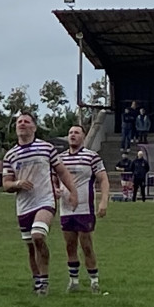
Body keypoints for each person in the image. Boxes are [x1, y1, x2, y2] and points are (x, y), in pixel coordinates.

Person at [2, 112, 78, 295]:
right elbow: (6, 184)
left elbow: (62, 171)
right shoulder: (10, 155)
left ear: (34, 127)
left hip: (45, 201)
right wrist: (17, 184)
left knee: (38, 236)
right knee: (31, 246)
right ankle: (38, 280)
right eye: (19, 122)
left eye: (26, 121)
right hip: (23, 205)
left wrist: (73, 192)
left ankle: (44, 280)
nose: (22, 124)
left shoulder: (46, 148)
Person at [57, 125, 109, 294]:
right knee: (70, 246)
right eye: (70, 132)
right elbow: (53, 177)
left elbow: (103, 179)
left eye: (76, 132)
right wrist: (55, 190)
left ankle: (94, 281)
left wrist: (103, 201)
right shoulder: (60, 158)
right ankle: (73, 281)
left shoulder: (91, 157)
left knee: (86, 245)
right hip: (66, 208)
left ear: (83, 137)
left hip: (84, 208)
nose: (72, 135)